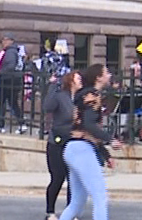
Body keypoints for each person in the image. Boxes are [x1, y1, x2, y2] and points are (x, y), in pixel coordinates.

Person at [59, 64, 120, 220]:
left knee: (77, 202)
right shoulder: (93, 96)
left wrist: (105, 155)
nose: (109, 75)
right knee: (100, 197)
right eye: (106, 72)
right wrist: (110, 139)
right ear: (98, 77)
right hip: (83, 150)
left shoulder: (83, 96)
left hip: (73, 147)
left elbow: (87, 128)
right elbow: (90, 125)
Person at [44, 70, 80, 220]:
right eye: (78, 78)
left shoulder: (80, 98)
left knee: (73, 179)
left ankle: (70, 211)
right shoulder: (60, 96)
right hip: (57, 143)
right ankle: (50, 212)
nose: (81, 81)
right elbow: (47, 107)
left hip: (74, 144)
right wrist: (52, 86)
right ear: (70, 80)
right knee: (58, 177)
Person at [0, 33, 28, 133]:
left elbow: (10, 66)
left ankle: (0, 125)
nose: (3, 42)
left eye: (4, 40)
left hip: (8, 80)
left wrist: (0, 72)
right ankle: (21, 124)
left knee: (0, 102)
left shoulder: (10, 52)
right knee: (13, 103)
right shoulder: (16, 51)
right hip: (15, 80)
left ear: (10, 41)